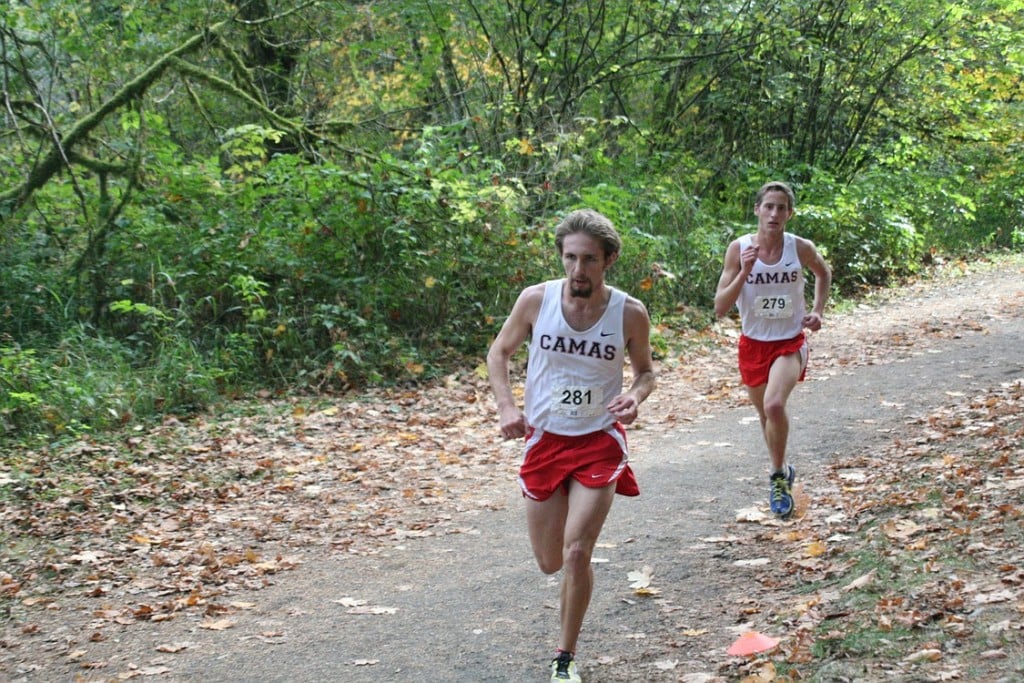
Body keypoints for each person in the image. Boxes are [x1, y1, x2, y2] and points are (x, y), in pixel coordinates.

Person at [486, 209, 656, 682]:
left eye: (589, 260)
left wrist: (634, 396)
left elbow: (645, 372)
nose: (578, 271)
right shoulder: (535, 301)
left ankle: (564, 658)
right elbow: (499, 353)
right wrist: (506, 408)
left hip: (600, 441)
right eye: (570, 258)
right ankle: (565, 621)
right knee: (550, 561)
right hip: (545, 439)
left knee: (578, 551)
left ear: (609, 260)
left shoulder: (629, 312)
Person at [713, 181, 832, 518]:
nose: (775, 213)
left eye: (782, 208)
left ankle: (777, 478)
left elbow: (823, 273)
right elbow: (721, 306)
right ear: (757, 210)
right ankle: (782, 467)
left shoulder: (800, 247)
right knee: (767, 416)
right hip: (753, 345)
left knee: (775, 405)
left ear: (789, 214)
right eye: (769, 206)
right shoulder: (739, 249)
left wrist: (819, 310)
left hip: (789, 343)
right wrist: (746, 271)